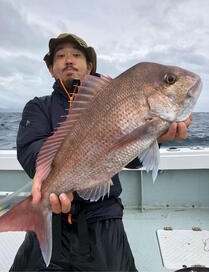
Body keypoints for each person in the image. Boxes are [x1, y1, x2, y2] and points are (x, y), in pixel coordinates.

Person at [9, 33, 192, 271]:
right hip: (53, 215)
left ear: (89, 66)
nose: (68, 60)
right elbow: (30, 149)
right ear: (52, 69)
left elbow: (132, 158)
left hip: (103, 215)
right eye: (60, 56)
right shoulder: (38, 107)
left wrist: (155, 137)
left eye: (76, 55)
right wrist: (52, 177)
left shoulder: (113, 100)